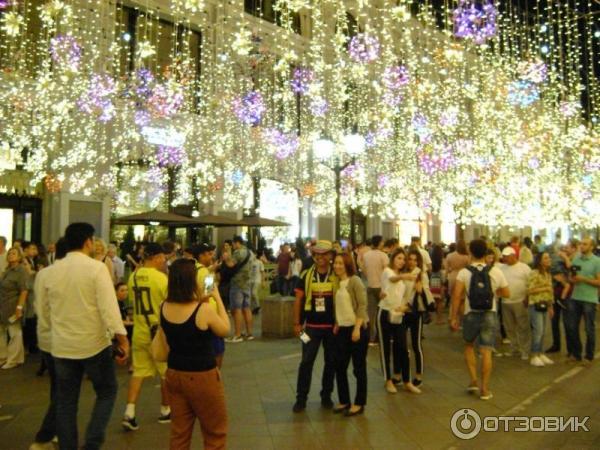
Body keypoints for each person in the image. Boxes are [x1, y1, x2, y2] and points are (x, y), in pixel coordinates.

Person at [38, 222, 129, 450]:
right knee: (107, 391)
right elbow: (109, 308)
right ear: (88, 241)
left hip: (61, 346)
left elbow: (43, 313)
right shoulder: (96, 268)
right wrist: (122, 339)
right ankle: (92, 441)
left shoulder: (47, 273)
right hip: (93, 344)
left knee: (66, 401)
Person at [154, 258, 230, 450]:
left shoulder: (164, 306)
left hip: (174, 374)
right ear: (191, 281)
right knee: (215, 433)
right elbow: (225, 329)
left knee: (179, 433)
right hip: (202, 376)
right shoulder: (202, 310)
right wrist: (216, 296)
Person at [450, 239, 509, 401]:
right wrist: (493, 294)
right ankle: (485, 389)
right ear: (486, 253)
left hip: (471, 313)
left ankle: (473, 380)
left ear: (470, 253)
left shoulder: (464, 272)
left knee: (469, 345)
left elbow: (456, 296)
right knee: (486, 351)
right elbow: (507, 292)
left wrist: (453, 317)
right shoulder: (495, 271)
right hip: (490, 313)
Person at [122, 242, 171, 431]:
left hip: (139, 330)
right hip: (159, 332)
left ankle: (130, 411)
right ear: (157, 257)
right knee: (166, 372)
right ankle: (166, 410)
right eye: (163, 257)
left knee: (139, 371)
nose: (164, 260)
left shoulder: (133, 276)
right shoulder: (162, 279)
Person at [30, 237, 68, 450]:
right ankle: (45, 436)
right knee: (65, 391)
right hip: (64, 340)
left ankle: (55, 432)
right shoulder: (67, 275)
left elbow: (39, 307)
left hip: (46, 338)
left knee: (59, 388)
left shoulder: (44, 274)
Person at [292, 240, 337, 413]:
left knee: (330, 362)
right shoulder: (305, 275)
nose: (320, 257)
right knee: (306, 362)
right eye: (317, 254)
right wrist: (296, 324)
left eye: (324, 254)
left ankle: (326, 396)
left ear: (330, 256)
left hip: (332, 328)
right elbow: (298, 301)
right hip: (309, 328)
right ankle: (301, 398)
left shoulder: (337, 274)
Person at [332, 252, 369, 416]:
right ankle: (344, 400)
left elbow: (362, 305)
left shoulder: (355, 281)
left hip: (357, 329)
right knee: (340, 366)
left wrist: (357, 327)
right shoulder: (337, 283)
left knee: (358, 368)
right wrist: (337, 323)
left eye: (341, 263)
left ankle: (359, 403)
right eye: (336, 263)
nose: (337, 266)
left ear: (347, 264)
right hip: (342, 329)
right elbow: (339, 306)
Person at [378, 248, 420, 394]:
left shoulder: (400, 276)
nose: (401, 261)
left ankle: (407, 380)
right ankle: (388, 380)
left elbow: (403, 295)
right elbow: (392, 279)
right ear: (393, 258)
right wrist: (405, 276)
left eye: (403, 259)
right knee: (385, 349)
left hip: (398, 314)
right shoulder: (388, 271)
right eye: (399, 258)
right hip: (384, 313)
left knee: (403, 347)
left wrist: (404, 306)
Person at [402, 249, 434, 388]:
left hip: (416, 312)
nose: (412, 262)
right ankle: (400, 373)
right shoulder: (402, 274)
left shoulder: (421, 274)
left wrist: (421, 290)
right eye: (410, 259)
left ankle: (419, 375)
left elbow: (427, 292)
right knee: (401, 344)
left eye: (415, 260)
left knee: (416, 344)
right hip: (403, 311)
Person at [565, 238, 600, 365]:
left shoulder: (597, 261)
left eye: (585, 244)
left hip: (589, 299)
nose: (581, 246)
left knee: (589, 328)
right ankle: (576, 353)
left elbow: (598, 282)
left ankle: (589, 356)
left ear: (591, 247)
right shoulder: (576, 259)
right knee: (572, 327)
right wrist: (572, 279)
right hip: (575, 297)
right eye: (581, 243)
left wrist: (583, 279)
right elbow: (571, 276)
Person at [195, 243, 226, 369]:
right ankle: (215, 375)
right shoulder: (205, 274)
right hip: (210, 316)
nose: (211, 257)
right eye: (209, 254)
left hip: (195, 314)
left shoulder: (192, 269)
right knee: (217, 351)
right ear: (201, 256)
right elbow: (208, 294)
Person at [499, 246, 532, 359]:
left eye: (507, 257)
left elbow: (530, 284)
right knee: (509, 327)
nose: (505, 259)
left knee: (523, 326)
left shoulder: (524, 268)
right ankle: (514, 348)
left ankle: (525, 349)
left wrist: (527, 298)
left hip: (520, 301)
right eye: (504, 257)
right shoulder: (502, 269)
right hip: (505, 302)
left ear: (513, 256)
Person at [0, 247, 28, 369]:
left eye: (14, 253)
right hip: (3, 304)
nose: (11, 255)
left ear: (20, 257)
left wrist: (19, 307)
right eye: (10, 253)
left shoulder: (21, 271)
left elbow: (24, 291)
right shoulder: (7, 270)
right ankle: (4, 357)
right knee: (2, 332)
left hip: (13, 305)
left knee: (14, 332)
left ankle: (14, 359)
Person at [527, 252, 555, 367]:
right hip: (535, 304)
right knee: (537, 330)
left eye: (549, 257)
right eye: (546, 258)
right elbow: (530, 290)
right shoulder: (534, 273)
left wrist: (550, 306)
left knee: (543, 330)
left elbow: (550, 291)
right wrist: (545, 288)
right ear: (540, 260)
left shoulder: (547, 273)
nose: (549, 259)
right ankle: (534, 355)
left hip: (545, 304)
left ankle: (540, 352)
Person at [224, 236, 254, 342]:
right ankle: (249, 333)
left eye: (233, 244)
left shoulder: (238, 252)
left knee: (237, 309)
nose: (232, 246)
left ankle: (237, 335)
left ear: (237, 243)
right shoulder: (250, 253)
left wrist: (227, 257)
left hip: (237, 283)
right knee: (247, 308)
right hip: (247, 283)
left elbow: (230, 264)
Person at [361, 236, 389, 345]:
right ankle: (382, 335)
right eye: (382, 242)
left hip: (370, 286)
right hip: (381, 287)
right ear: (380, 243)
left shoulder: (366, 255)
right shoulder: (383, 256)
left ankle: (371, 337)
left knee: (371, 313)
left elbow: (363, 268)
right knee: (382, 312)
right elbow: (387, 271)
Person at [429, 244, 446, 324]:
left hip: (432, 280)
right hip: (440, 279)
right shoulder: (441, 260)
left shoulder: (431, 259)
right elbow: (444, 270)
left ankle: (434, 318)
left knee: (434, 300)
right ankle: (439, 319)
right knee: (440, 301)